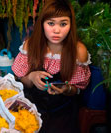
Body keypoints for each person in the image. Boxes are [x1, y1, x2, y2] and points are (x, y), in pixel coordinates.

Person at [11, 0, 91, 132]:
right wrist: (31, 77)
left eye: (63, 24)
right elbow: (20, 81)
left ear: (71, 25)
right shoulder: (30, 46)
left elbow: (79, 90)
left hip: (63, 113)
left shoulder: (78, 51)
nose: (56, 30)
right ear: (42, 24)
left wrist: (67, 88)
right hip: (32, 110)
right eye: (51, 23)